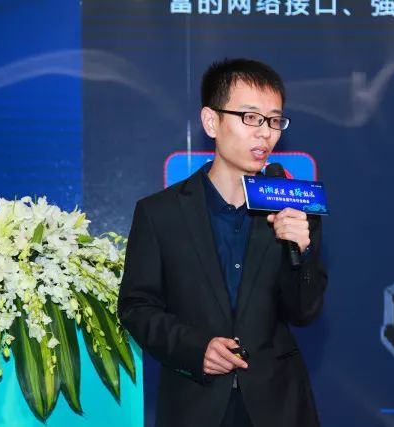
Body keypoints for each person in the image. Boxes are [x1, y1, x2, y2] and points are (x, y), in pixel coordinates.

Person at [118, 58, 328, 427]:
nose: (265, 133)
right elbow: (137, 307)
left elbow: (304, 312)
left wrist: (303, 251)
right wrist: (194, 348)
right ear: (211, 122)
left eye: (274, 120)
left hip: (278, 405)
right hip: (194, 405)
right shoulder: (159, 213)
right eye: (251, 117)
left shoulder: (294, 208)